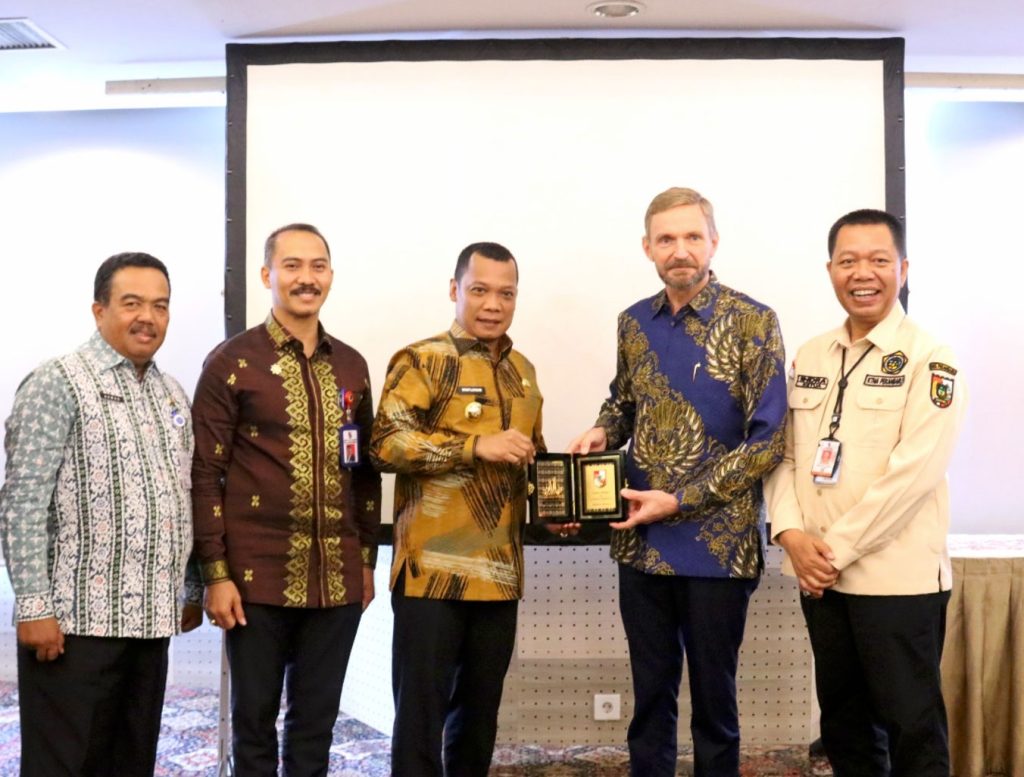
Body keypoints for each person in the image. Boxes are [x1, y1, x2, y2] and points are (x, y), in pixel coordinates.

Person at [569, 187, 787, 776]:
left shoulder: (753, 321)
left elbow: (768, 439)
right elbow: (624, 403)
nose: (681, 250)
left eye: (693, 236)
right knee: (650, 700)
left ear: (713, 242)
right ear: (648, 248)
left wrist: (682, 499)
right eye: (667, 239)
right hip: (642, 544)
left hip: (719, 545)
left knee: (716, 706)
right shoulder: (633, 323)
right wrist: (600, 430)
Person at [766, 208, 966, 776]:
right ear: (830, 269)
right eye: (848, 260)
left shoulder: (933, 359)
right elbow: (783, 456)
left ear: (903, 269)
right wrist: (790, 534)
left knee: (911, 728)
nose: (864, 273)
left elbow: (913, 477)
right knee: (844, 728)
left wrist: (831, 552)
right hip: (821, 581)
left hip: (896, 582)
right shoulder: (810, 355)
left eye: (879, 260)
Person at [0, 252, 201, 777]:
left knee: (129, 762)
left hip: (150, 623)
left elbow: (183, 495)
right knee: (63, 765)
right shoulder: (57, 382)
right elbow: (22, 502)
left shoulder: (171, 393)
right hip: (73, 625)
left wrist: (191, 586)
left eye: (160, 306)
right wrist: (34, 606)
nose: (148, 317)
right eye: (131, 303)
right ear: (99, 310)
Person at [191, 223, 381, 776]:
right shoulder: (231, 362)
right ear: (267, 275)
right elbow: (206, 474)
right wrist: (216, 573)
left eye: (318, 266)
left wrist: (365, 562)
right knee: (254, 725)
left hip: (336, 578)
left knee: (316, 725)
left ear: (330, 276)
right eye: (293, 266)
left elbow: (365, 473)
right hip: (255, 579)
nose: (306, 278)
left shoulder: (351, 365)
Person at [370, 241, 544, 777]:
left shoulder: (523, 371)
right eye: (480, 290)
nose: (493, 304)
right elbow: (385, 443)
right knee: (420, 720)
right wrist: (472, 445)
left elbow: (529, 458)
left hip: (499, 576)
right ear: (455, 290)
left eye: (506, 293)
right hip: (432, 576)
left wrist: (553, 506)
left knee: (479, 719)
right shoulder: (423, 359)